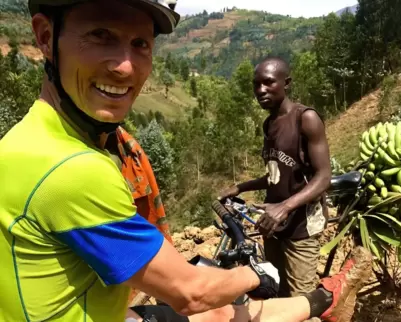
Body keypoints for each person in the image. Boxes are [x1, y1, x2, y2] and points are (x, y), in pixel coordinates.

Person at [0, 1, 372, 322]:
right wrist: (255, 275)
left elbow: (319, 175)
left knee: (221, 311)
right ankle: (325, 299)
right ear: (46, 37)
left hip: (301, 223)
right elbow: (190, 292)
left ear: (287, 84)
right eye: (100, 35)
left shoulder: (24, 140)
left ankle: (324, 298)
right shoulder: (73, 169)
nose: (125, 67)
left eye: (140, 43)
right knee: (219, 308)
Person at [219, 57, 332, 298]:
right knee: (276, 288)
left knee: (302, 301)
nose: (261, 90)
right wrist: (241, 187)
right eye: (256, 84)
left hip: (301, 227)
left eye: (268, 82)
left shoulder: (306, 119)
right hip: (273, 225)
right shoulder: (269, 124)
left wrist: (286, 206)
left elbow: (324, 177)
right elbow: (276, 173)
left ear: (286, 83)